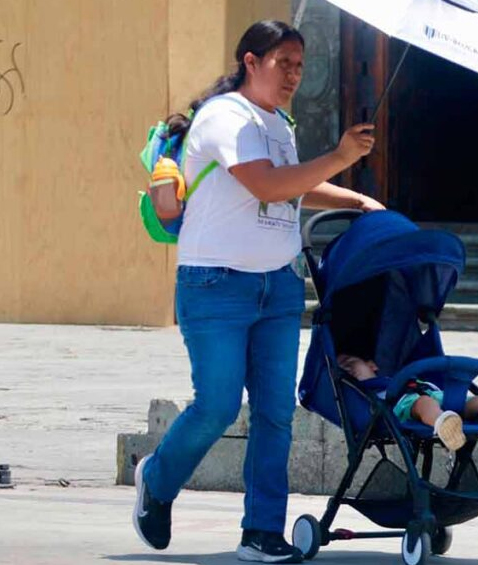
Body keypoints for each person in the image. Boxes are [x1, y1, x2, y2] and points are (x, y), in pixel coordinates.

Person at [132, 20, 384, 564]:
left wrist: (353, 200)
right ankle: (157, 477)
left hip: (278, 287)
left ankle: (261, 533)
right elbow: (266, 184)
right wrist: (342, 156)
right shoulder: (227, 117)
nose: (294, 74)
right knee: (218, 406)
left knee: (275, 414)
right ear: (250, 62)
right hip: (216, 284)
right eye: (282, 63)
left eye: (299, 65)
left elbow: (291, 184)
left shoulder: (278, 124)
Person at [336, 355, 478, 454]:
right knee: (424, 403)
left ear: (372, 365)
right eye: (343, 368)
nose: (347, 370)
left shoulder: (390, 378)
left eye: (350, 363)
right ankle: (443, 424)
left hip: (440, 397)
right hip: (404, 406)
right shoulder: (366, 392)